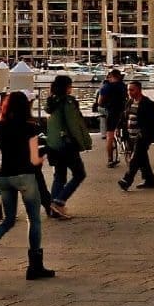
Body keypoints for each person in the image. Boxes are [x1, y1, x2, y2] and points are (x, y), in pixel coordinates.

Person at [0, 91, 54, 287]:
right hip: (26, 177)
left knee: (7, 221)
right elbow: (34, 159)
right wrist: (43, 156)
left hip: (5, 177)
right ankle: (34, 266)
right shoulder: (31, 128)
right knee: (34, 220)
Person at [43, 75, 91, 219]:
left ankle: (53, 208)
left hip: (53, 144)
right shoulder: (69, 102)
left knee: (59, 175)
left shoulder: (51, 102)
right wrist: (84, 142)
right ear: (67, 87)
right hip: (67, 144)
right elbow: (74, 125)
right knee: (79, 174)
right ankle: (59, 201)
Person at [118, 81, 154, 191]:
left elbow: (153, 121)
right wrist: (119, 129)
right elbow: (124, 117)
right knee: (142, 159)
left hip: (142, 136)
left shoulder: (148, 104)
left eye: (132, 90)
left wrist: (145, 133)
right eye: (128, 90)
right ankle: (150, 180)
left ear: (139, 90)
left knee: (135, 159)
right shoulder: (129, 102)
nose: (129, 92)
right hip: (130, 135)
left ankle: (127, 180)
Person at [94, 70, 128, 168]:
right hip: (123, 112)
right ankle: (127, 147)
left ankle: (110, 159)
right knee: (124, 128)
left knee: (109, 136)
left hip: (112, 112)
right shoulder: (123, 86)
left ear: (111, 76)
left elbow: (100, 102)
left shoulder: (106, 87)